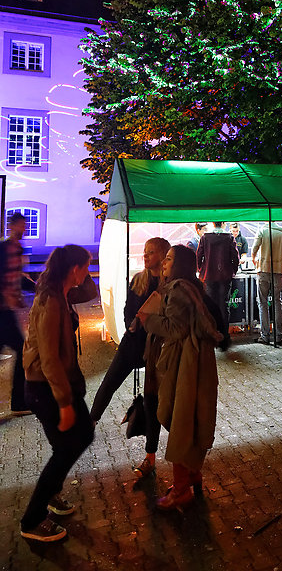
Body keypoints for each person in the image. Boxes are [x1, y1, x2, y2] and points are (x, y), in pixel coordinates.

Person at [137, 245, 222, 510]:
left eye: (169, 259)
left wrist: (147, 320)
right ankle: (192, 473)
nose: (164, 262)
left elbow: (176, 328)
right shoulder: (191, 287)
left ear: (180, 264)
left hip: (184, 364)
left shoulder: (178, 290)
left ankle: (181, 489)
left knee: (180, 420)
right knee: (188, 418)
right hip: (193, 363)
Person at [20, 245, 95, 543]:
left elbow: (90, 292)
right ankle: (32, 520)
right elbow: (49, 358)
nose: (88, 272)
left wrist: (76, 275)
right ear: (74, 269)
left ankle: (51, 494)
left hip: (58, 383)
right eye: (86, 267)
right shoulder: (51, 300)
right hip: (45, 386)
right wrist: (64, 403)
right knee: (66, 448)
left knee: (80, 437)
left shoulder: (63, 293)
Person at [90, 237, 170, 478]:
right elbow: (127, 310)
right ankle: (90, 423)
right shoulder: (138, 280)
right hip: (132, 344)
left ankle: (150, 456)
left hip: (155, 348)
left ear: (162, 256)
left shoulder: (169, 285)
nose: (145, 255)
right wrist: (131, 324)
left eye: (151, 252)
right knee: (109, 382)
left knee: (152, 401)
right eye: (145, 251)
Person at [0, 213, 30, 415]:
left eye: (24, 226)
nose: (24, 229)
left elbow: (17, 277)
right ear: (12, 227)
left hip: (6, 312)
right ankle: (18, 404)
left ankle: (19, 403)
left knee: (22, 350)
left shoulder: (18, 249)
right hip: (2, 310)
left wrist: (38, 286)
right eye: (21, 226)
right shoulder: (4, 249)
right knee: (22, 350)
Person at [197, 222, 239, 349]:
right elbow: (235, 257)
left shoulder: (205, 237)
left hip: (208, 276)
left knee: (210, 307)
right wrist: (232, 271)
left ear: (213, 224)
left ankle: (211, 335)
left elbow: (199, 256)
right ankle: (224, 337)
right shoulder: (229, 237)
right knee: (224, 306)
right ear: (224, 224)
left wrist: (201, 270)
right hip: (225, 276)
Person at [252, 222, 282, 345]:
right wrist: (281, 260)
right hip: (278, 272)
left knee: (263, 303)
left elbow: (254, 249)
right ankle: (278, 336)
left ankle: (265, 336)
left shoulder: (262, 231)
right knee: (277, 303)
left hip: (263, 271)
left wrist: (255, 260)